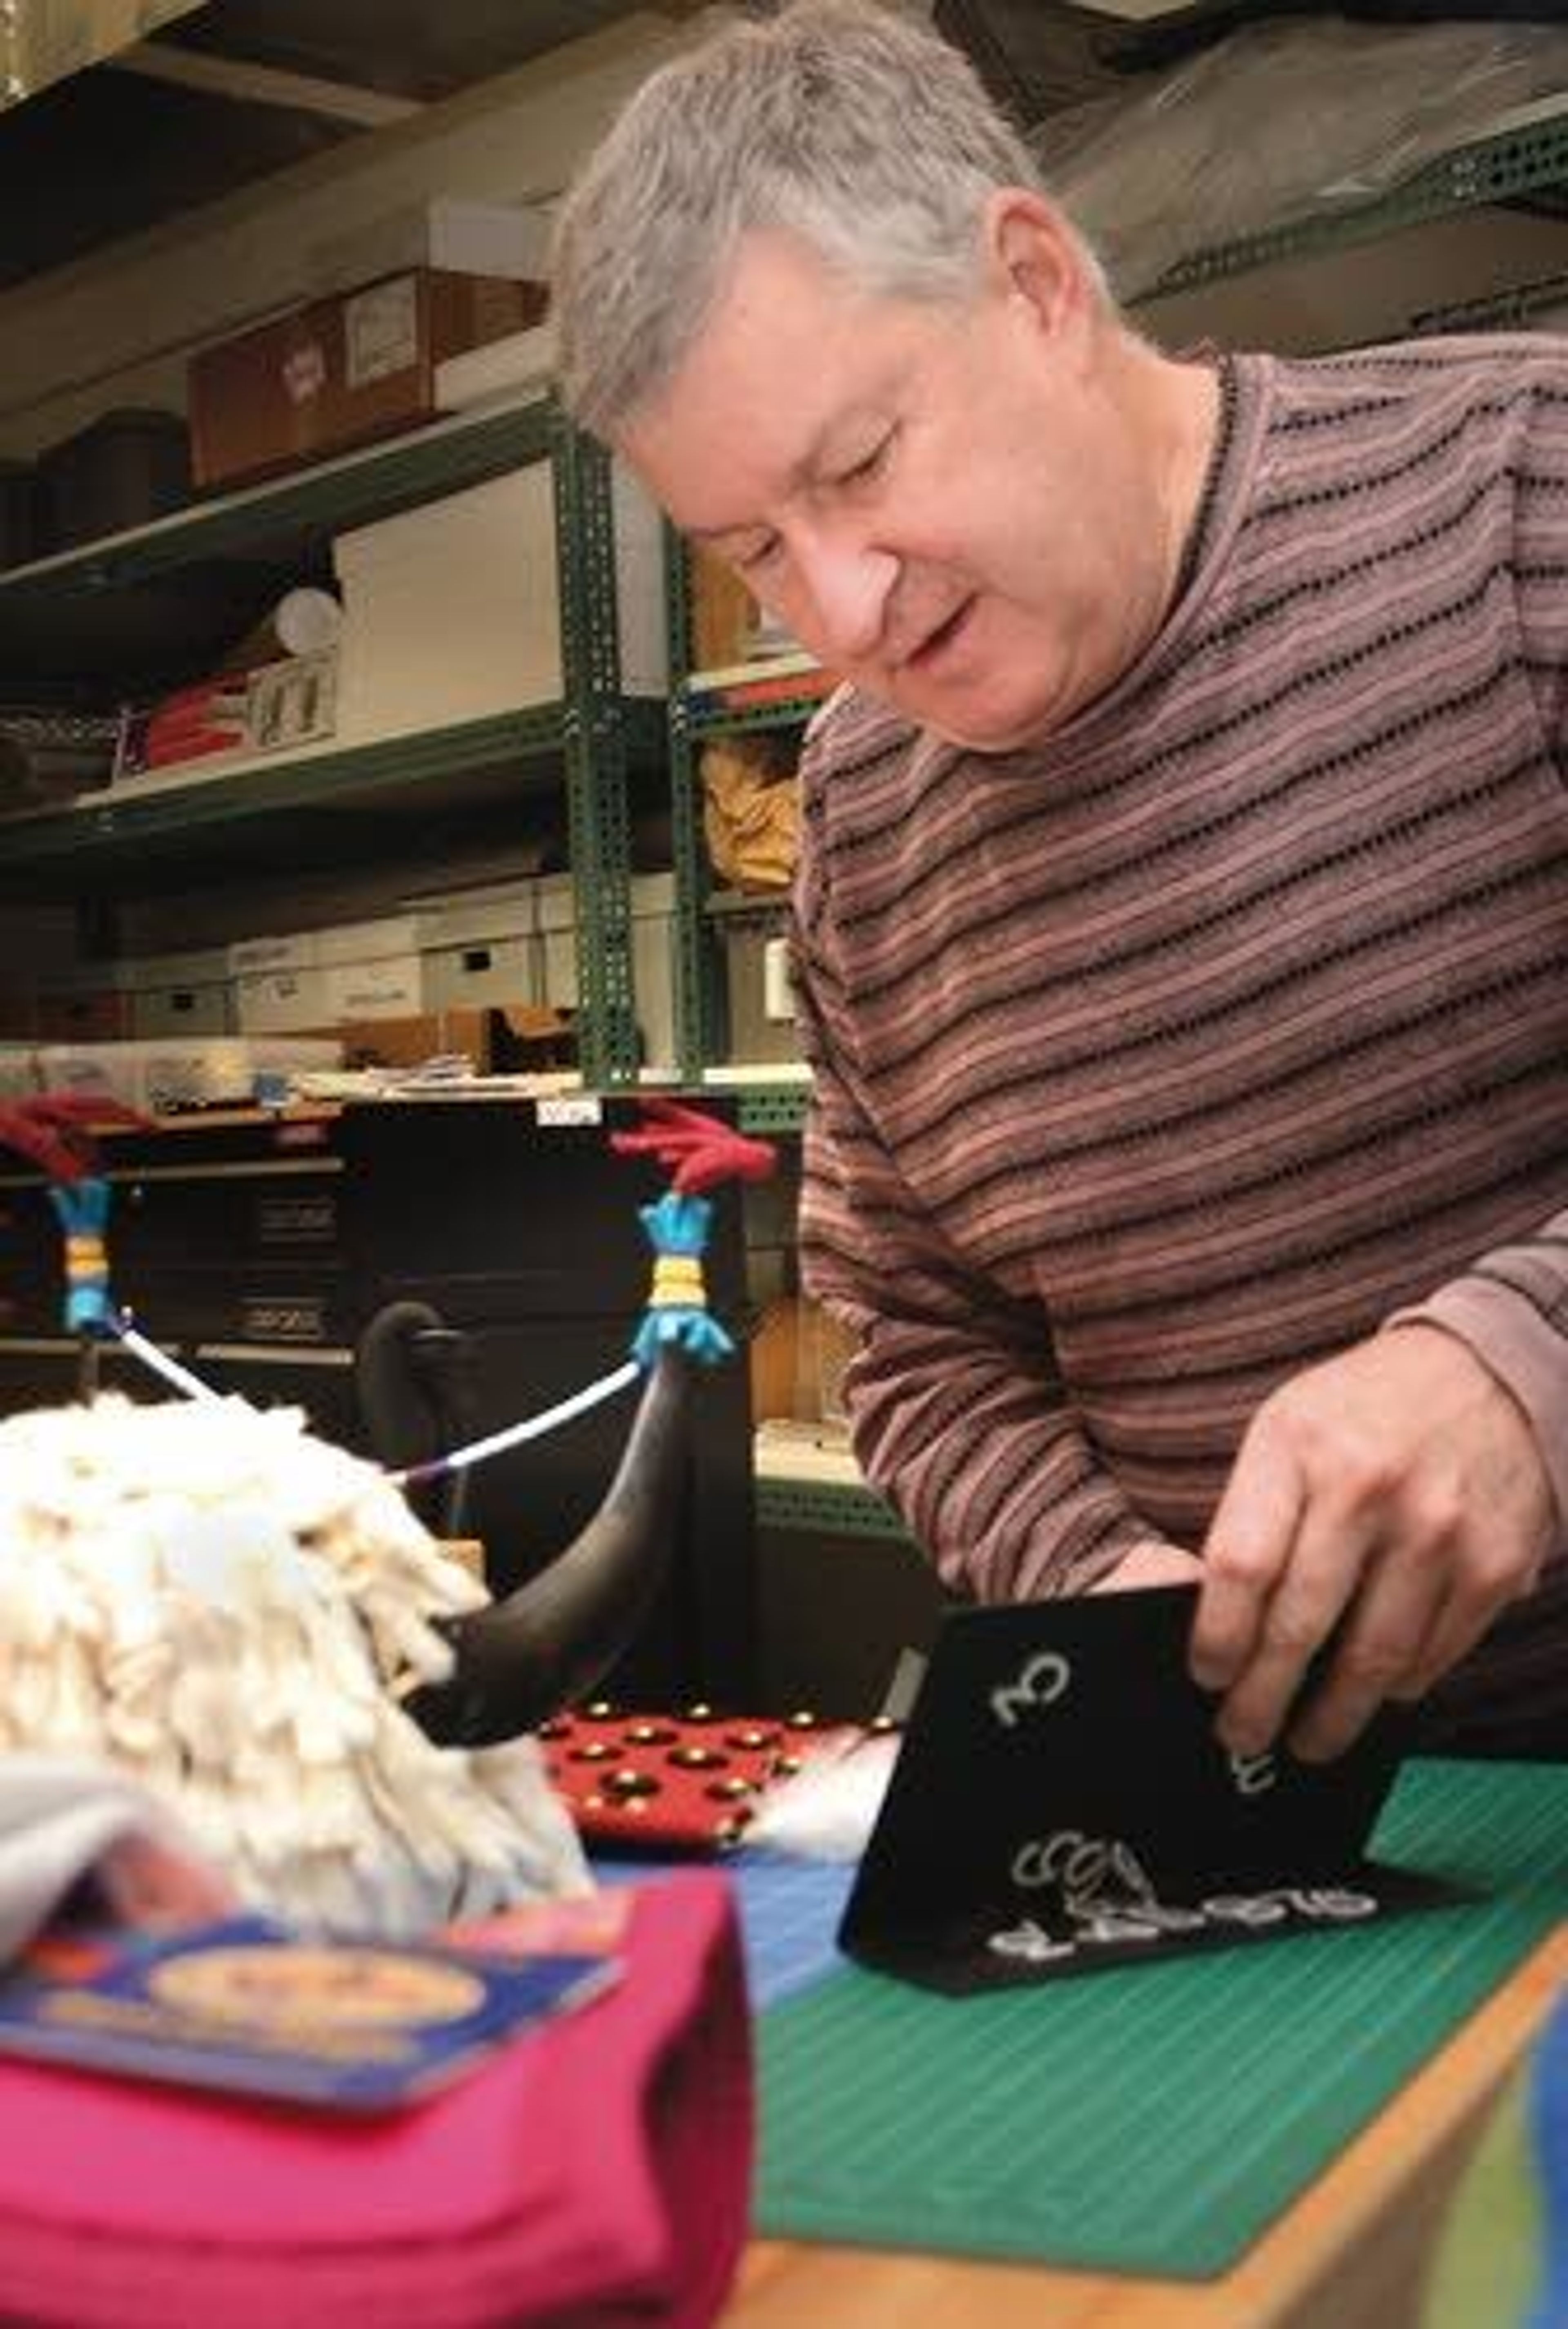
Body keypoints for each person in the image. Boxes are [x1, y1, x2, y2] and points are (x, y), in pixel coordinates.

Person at [551, 0, 1568, 1765]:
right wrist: (1088, 1573)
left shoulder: (1519, 499)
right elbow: (922, 1350)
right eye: (755, 552)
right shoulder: (861, 821)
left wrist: (1525, 1371)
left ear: (1033, 282)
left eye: (859, 468)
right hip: (1284, 1855)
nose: (845, 610)